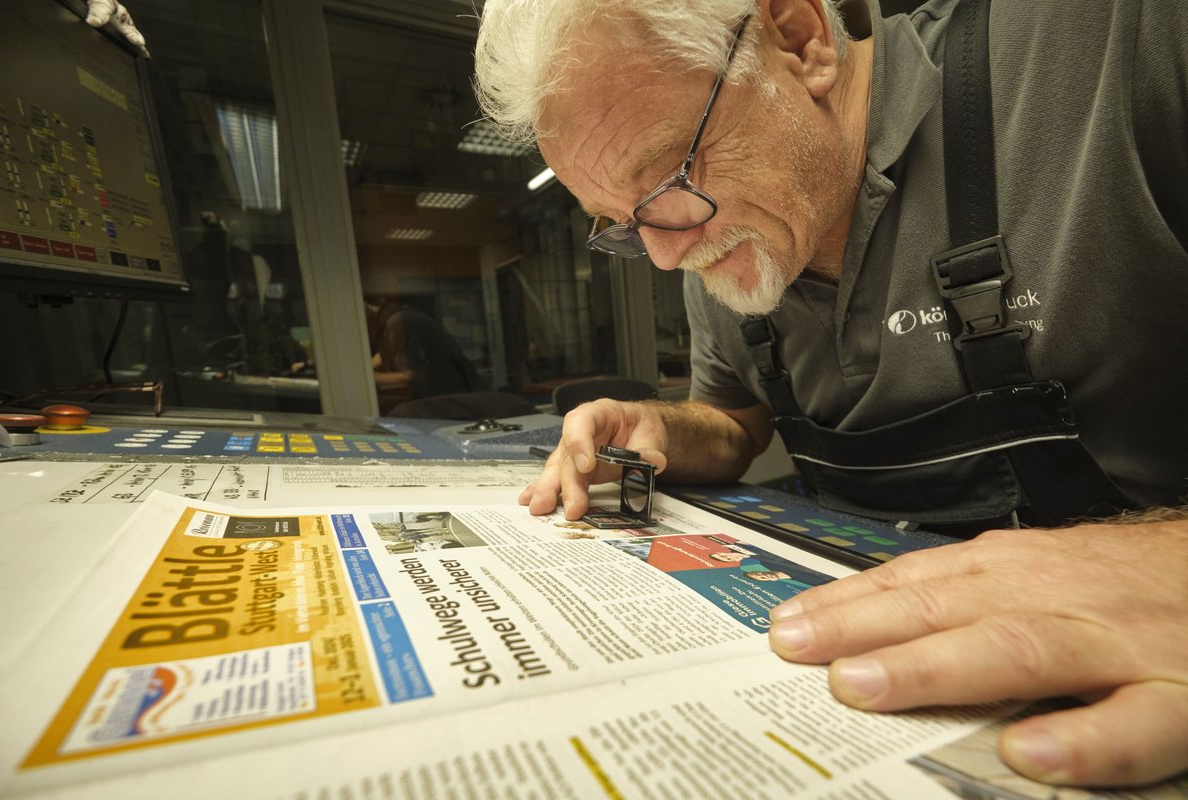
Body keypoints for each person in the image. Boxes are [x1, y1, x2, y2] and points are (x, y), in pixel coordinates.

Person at [474, 0, 1188, 787]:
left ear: (800, 38)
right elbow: (735, 423)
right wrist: (666, 427)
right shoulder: (710, 238)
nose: (668, 257)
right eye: (621, 221)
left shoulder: (1122, 42)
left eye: (671, 175)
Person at [365, 296, 485, 414]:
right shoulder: (392, 317)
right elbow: (390, 350)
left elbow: (413, 375)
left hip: (454, 398)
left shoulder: (397, 323)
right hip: (455, 394)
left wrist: (370, 378)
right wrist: (367, 368)